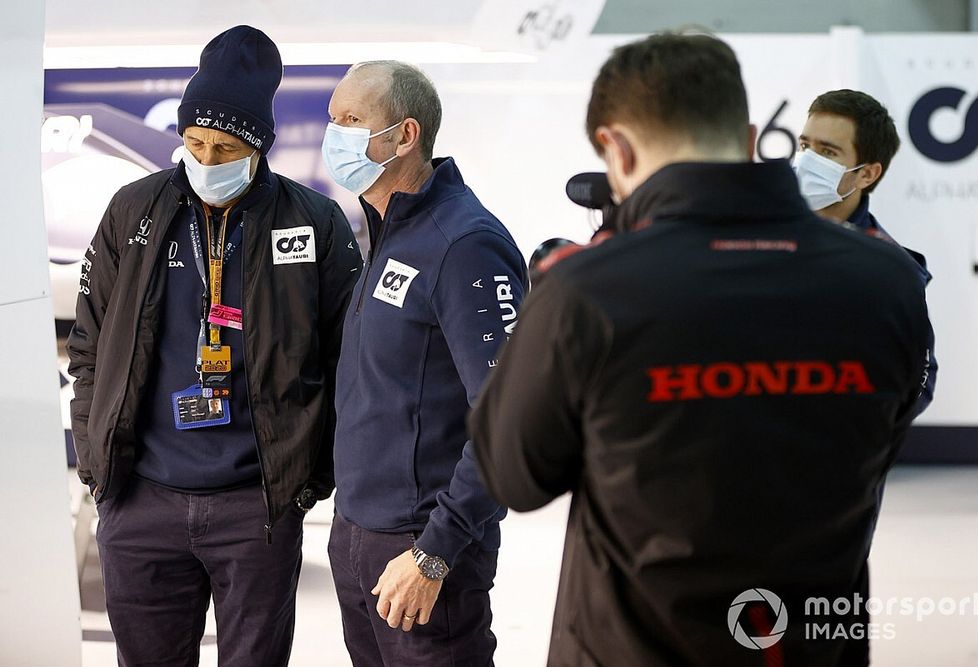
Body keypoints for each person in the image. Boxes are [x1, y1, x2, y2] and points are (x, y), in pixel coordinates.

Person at [469, 32, 932, 666]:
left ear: (616, 148)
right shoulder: (889, 281)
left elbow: (516, 477)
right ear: (747, 142)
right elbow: (886, 427)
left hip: (633, 649)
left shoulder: (586, 289)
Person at [67, 25, 362, 666]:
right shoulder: (132, 212)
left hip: (256, 511)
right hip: (142, 502)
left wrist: (307, 482)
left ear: (258, 147)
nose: (206, 159)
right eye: (194, 142)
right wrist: (99, 470)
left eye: (225, 147)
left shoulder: (313, 223)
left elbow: (349, 360)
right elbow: (88, 343)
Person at [321, 60, 527, 665]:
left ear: (405, 136)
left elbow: (507, 420)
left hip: (423, 548)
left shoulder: (464, 244)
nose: (336, 135)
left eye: (353, 121)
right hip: (358, 532)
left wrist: (435, 550)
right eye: (332, 119)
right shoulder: (387, 231)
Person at [796, 88, 936, 413]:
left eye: (828, 152)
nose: (806, 161)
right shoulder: (756, 237)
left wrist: (865, 448)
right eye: (805, 145)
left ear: (867, 174)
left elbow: (918, 379)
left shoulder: (892, 269)